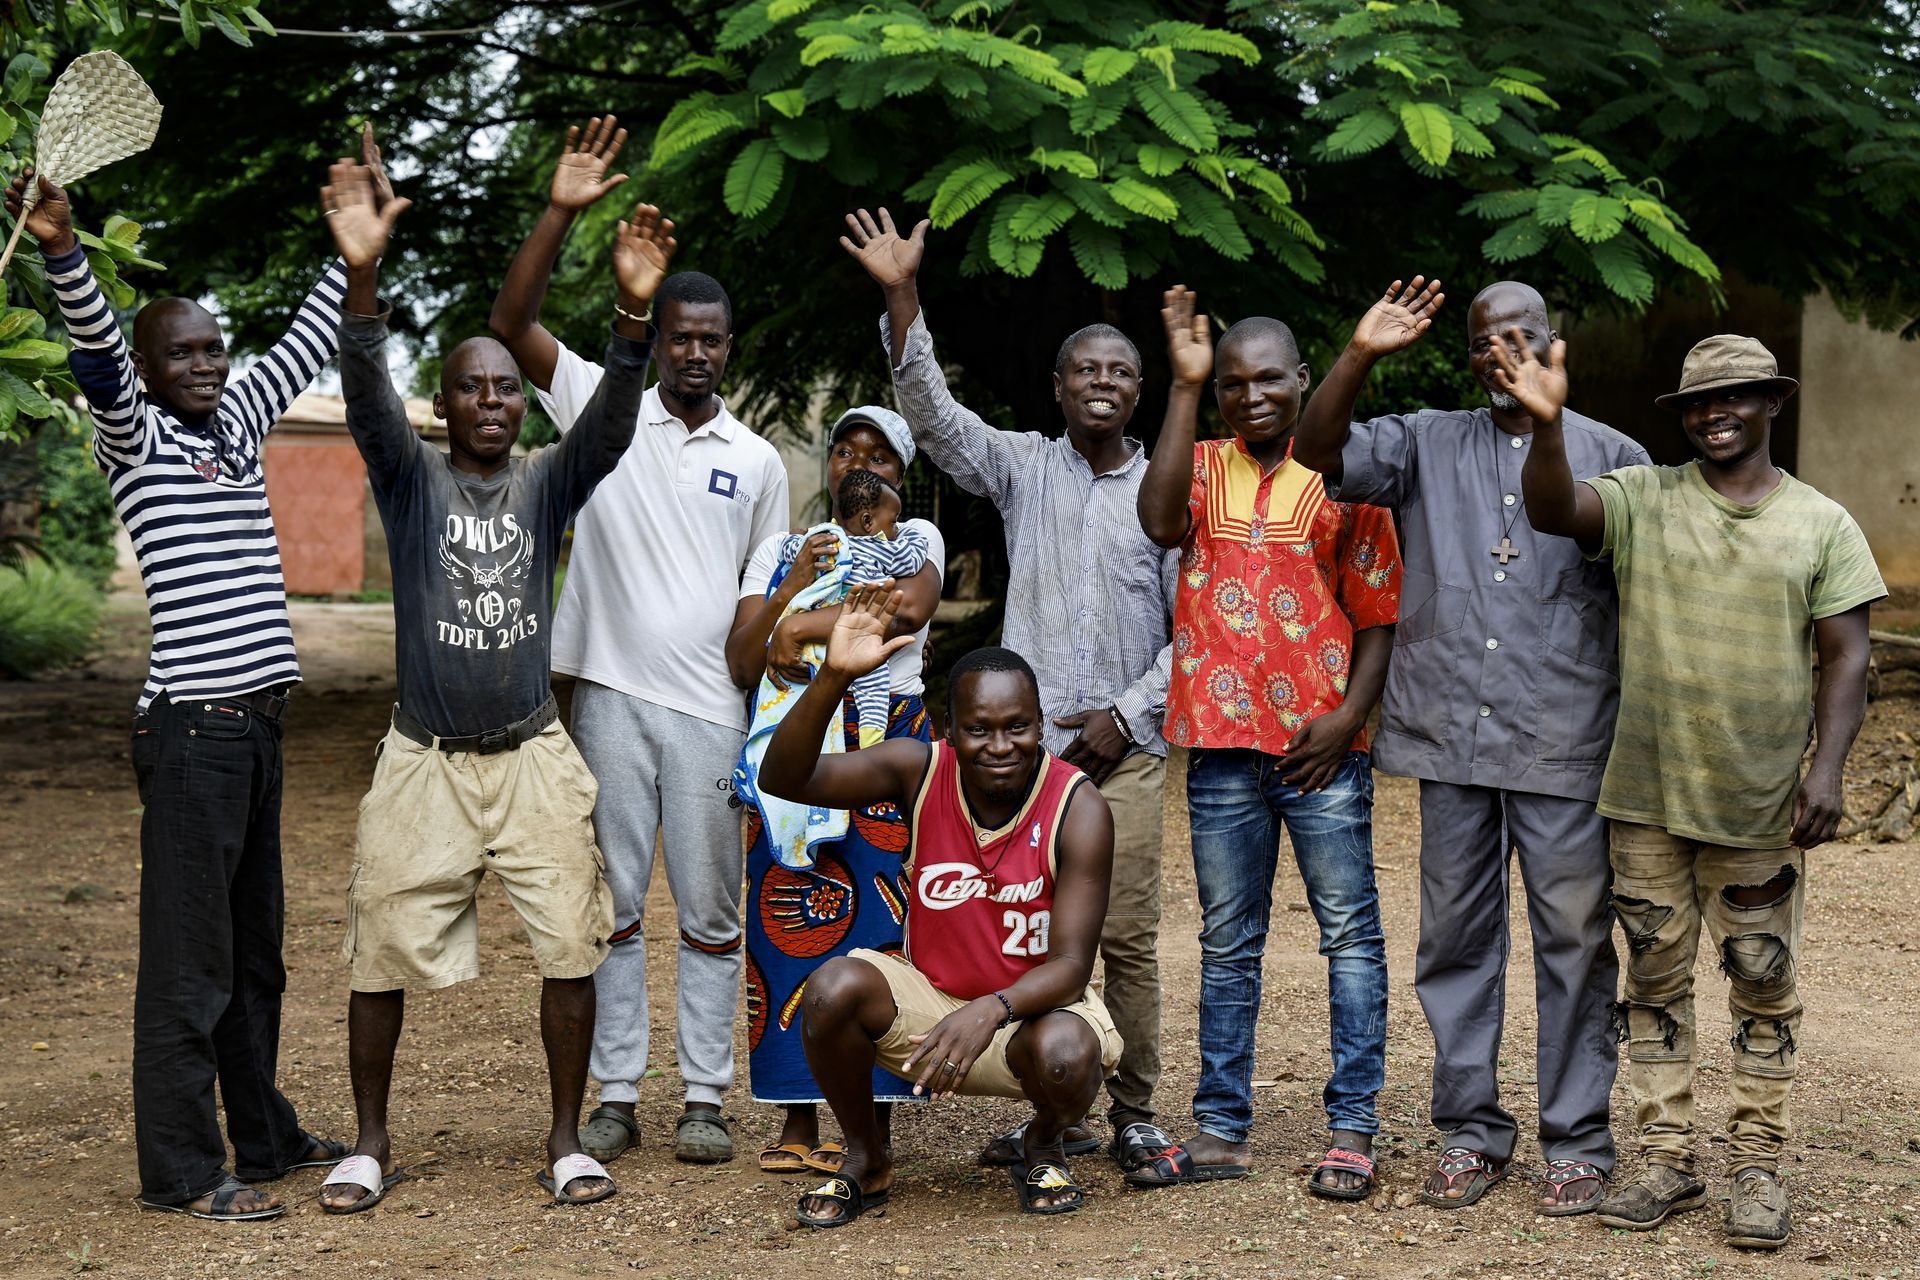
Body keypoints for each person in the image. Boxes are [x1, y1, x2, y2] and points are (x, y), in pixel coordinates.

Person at [4, 130, 385, 1219]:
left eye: (215, 350)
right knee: (190, 965)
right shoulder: (134, 438)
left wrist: (352, 254)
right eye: (183, 355)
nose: (207, 366)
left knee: (255, 956)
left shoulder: (238, 425)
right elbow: (97, 355)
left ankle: (262, 1136)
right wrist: (65, 250)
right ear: (149, 371)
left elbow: (308, 340)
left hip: (255, 732)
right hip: (191, 734)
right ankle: (180, 1169)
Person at [314, 155, 673, 1210]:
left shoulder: (546, 482)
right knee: (378, 947)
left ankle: (565, 1140)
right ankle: (369, 1143)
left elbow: (611, 425)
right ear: (444, 402)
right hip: (422, 758)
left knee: (572, 943)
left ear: (524, 406)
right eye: (471, 385)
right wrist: (362, 278)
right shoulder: (409, 479)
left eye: (506, 387)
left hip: (532, 756)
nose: (490, 400)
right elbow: (367, 401)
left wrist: (632, 318)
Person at [1509, 331, 1882, 1249]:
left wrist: (1826, 768)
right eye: (1698, 404)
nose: (1715, 414)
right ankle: (1667, 1157)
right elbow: (1553, 510)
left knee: (1762, 979)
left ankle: (1757, 1166)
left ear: (1772, 403)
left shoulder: (1822, 523)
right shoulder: (1644, 498)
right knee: (1653, 980)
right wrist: (1547, 424)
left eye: (1735, 397)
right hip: (1646, 799)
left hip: (1758, 804)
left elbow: (1847, 657)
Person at [1291, 278, 1649, 1213]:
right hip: (1450, 732)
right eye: (1485, 340)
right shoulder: (1424, 441)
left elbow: (1633, 579)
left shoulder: (1618, 456)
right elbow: (1313, 452)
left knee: (1574, 940)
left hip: (1564, 735)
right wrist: (1359, 354)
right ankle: (1471, 1132)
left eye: (1519, 334)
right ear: (1469, 357)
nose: (1502, 351)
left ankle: (1578, 1139)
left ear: (1553, 342)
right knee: (1454, 940)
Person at [841, 206, 1178, 1173]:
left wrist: (1125, 717)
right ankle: (1053, 1109)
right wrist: (902, 295)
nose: (1101, 382)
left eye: (1119, 371)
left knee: (1126, 938)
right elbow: (935, 420)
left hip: (1127, 756)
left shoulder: (1167, 493)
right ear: (1058, 387)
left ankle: (1134, 1108)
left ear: (1140, 390)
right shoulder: (1024, 467)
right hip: (1016, 765)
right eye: (1084, 370)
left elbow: (1191, 629)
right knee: (1023, 939)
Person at [489, 117, 789, 1165]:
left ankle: (704, 1095)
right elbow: (510, 321)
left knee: (710, 912)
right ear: (655, 338)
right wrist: (561, 211)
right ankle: (617, 1092)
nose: (695, 352)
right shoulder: (598, 403)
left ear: (728, 347)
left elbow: (758, 605)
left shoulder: (759, 463)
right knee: (612, 908)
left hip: (712, 712)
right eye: (680, 336)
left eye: (712, 339)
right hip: (608, 699)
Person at [1128, 287, 1400, 1197]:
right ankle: (1220, 1127)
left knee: (1350, 936)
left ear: (1303, 380)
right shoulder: (1201, 465)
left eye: (1269, 380)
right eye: (1233, 385)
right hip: (1219, 751)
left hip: (1323, 752)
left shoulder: (1348, 473)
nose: (1251, 397)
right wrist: (1182, 386)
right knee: (1228, 942)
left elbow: (1378, 615)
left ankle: (1353, 1128)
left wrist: (1348, 720)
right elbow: (1158, 521)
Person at [758, 584, 1123, 1225]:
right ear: (949, 730)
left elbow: (1071, 967)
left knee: (1068, 1055)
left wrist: (990, 1009)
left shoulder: (1078, 804)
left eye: (1018, 727)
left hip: (1030, 1015)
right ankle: (866, 1158)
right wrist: (833, 678)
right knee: (832, 987)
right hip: (928, 1004)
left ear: (1041, 724)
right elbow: (784, 778)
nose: (1001, 745)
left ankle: (1043, 1143)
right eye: (979, 729)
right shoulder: (919, 770)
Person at [726, 406, 945, 1173]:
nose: (860, 464)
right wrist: (791, 588)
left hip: (885, 740)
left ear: (901, 474)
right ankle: (795, 1117)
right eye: (846, 451)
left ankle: (870, 1127)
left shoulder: (919, 539)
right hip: (797, 736)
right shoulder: (781, 549)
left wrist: (796, 628)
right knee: (785, 918)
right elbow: (743, 659)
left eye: (879, 455)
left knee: (880, 926)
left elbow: (905, 609)